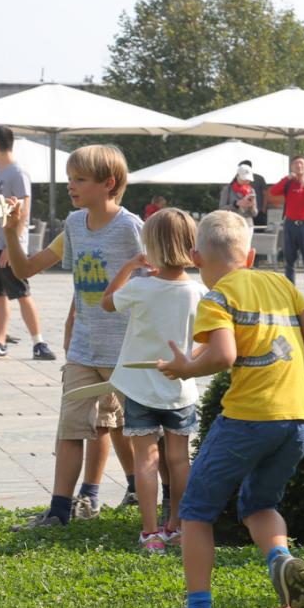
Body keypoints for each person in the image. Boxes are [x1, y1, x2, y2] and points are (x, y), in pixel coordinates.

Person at [157, 210, 304, 608]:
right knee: (260, 503)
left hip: (249, 418)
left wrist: (186, 368)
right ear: (250, 255)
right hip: (300, 418)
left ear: (196, 257)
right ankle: (280, 558)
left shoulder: (217, 297)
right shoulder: (283, 283)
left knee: (195, 509)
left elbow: (223, 356)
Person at [9, 145, 141, 529]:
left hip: (126, 352)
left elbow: (160, 273)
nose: (71, 186)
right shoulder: (73, 224)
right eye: (70, 179)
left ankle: (159, 505)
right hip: (84, 350)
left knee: (139, 429)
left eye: (79, 179)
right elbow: (26, 269)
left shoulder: (131, 227)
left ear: (108, 183)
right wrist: (12, 232)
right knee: (71, 427)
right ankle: (59, 511)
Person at [100, 208, 207, 554]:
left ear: (151, 247)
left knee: (145, 459)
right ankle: (177, 525)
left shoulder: (140, 286)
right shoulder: (198, 292)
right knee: (179, 460)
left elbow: (106, 304)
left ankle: (150, 533)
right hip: (181, 387)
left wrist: (129, 267)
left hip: (141, 386)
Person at [0, 124, 54, 360]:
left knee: (22, 293)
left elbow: (23, 210)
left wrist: (11, 244)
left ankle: (39, 343)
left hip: (9, 246)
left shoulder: (17, 172)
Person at [270, 156, 304, 301]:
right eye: (296, 163)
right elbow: (273, 191)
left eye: (301, 163)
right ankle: (289, 290)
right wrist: (286, 179)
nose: (299, 166)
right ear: (292, 166)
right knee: (289, 259)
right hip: (290, 224)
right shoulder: (288, 182)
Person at [219, 164, 258, 228]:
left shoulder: (251, 190)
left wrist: (252, 206)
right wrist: (236, 204)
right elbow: (221, 208)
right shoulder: (228, 189)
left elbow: (254, 214)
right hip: (231, 224)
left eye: (248, 179)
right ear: (238, 176)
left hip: (247, 225)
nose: (247, 181)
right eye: (244, 179)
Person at [237, 159, 269, 227]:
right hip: (243, 213)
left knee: (259, 233)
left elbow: (265, 194)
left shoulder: (259, 178)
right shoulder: (237, 180)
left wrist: (263, 209)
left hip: (257, 211)